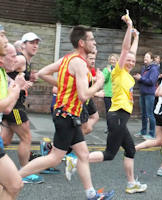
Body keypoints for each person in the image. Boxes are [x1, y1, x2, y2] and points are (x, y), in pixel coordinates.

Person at [18, 25, 114, 200]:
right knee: (55, 158)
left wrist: (62, 86)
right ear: (82, 43)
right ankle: (14, 178)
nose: (94, 42)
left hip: (69, 115)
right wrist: (99, 83)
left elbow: (42, 73)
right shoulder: (79, 63)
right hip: (67, 116)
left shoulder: (68, 58)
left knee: (83, 155)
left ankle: (91, 194)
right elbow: (84, 95)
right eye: (91, 39)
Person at [75, 14, 147, 194]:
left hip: (121, 117)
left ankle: (131, 184)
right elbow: (125, 50)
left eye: (132, 60)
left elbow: (132, 52)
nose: (131, 61)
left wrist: (137, 38)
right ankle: (77, 161)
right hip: (117, 115)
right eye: (128, 59)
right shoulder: (118, 71)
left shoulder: (129, 75)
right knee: (109, 154)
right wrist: (130, 27)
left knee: (130, 149)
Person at [1, 32, 43, 184]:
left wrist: (27, 80)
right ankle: (24, 171)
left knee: (5, 140)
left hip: (11, 102)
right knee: (26, 138)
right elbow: (3, 71)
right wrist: (15, 84)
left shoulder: (25, 61)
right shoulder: (20, 59)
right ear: (23, 44)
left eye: (37, 43)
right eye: (31, 42)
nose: (35, 45)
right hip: (15, 106)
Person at [0, 26, 26, 200]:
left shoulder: (3, 73)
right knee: (15, 184)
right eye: (2, 36)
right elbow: (6, 107)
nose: (16, 59)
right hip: (16, 110)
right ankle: (26, 167)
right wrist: (15, 93)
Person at [133, 51, 160, 139]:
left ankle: (152, 134)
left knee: (150, 114)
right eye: (144, 56)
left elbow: (152, 81)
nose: (145, 58)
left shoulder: (154, 69)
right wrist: (139, 78)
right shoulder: (144, 68)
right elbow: (144, 79)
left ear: (151, 59)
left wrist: (141, 78)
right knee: (143, 114)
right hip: (143, 93)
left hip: (149, 94)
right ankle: (143, 132)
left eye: (147, 57)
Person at [101, 53, 119, 134]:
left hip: (116, 94)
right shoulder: (105, 69)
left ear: (117, 60)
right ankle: (109, 128)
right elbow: (104, 80)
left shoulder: (119, 70)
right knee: (109, 112)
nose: (112, 61)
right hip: (108, 94)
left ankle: (115, 128)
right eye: (111, 59)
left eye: (114, 59)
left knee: (116, 112)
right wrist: (108, 72)